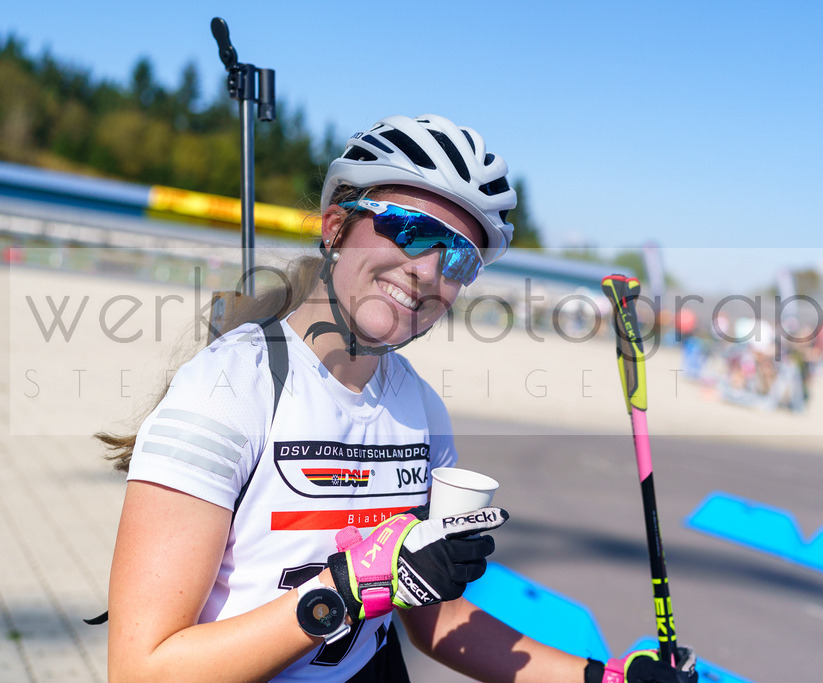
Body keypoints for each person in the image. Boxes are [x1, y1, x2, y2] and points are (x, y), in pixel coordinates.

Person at [98, 114, 696, 682]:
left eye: (460, 256)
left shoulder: (419, 408)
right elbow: (142, 668)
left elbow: (435, 620)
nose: (427, 270)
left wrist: (599, 676)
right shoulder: (228, 389)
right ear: (336, 227)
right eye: (409, 229)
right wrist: (351, 587)